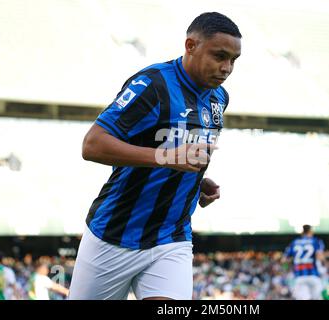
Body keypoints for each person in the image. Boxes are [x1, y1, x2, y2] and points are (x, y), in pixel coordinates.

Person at [68, 12, 242, 300]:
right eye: (219, 56)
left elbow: (180, 153)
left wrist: (197, 181)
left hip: (171, 239)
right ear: (191, 46)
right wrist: (167, 158)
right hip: (114, 236)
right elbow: (93, 145)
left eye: (233, 60)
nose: (227, 68)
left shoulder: (218, 99)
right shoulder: (154, 85)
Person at [283, 225, 325, 300]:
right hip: (313, 275)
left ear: (302, 232)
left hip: (299, 276)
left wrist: (296, 261)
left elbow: (284, 260)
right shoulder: (316, 241)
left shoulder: (294, 242)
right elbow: (320, 257)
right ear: (310, 231)